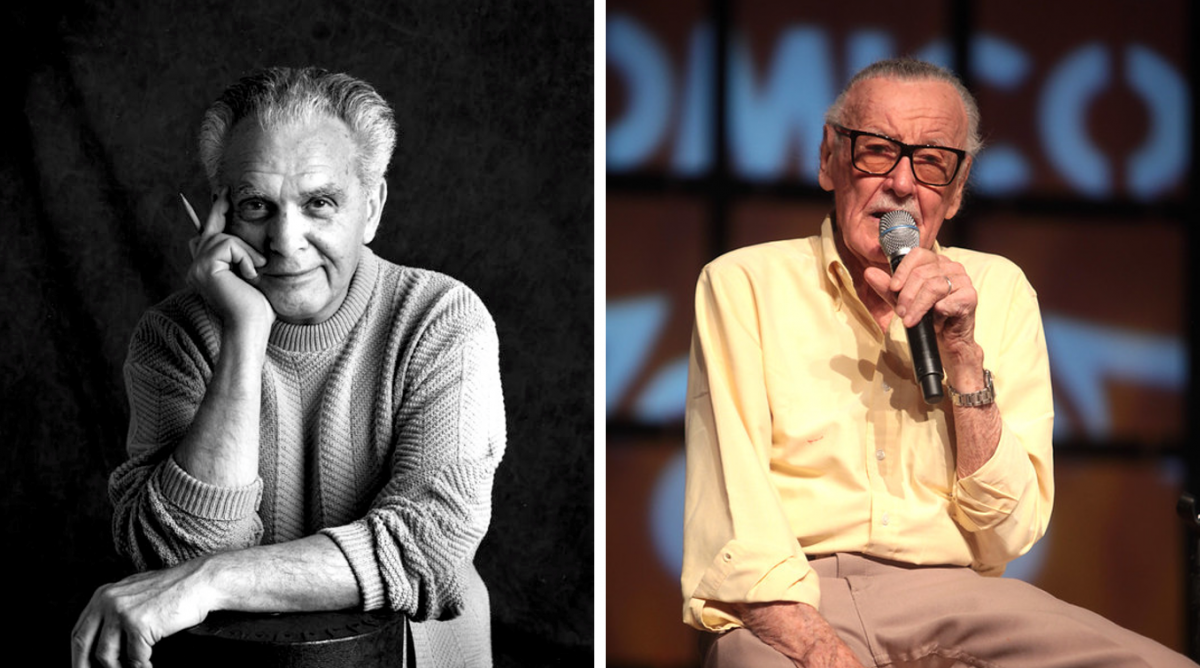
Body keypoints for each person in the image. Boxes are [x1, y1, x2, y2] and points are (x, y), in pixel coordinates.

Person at [681, 57, 1196, 668]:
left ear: (954, 190)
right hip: (797, 597)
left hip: (959, 596)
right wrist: (824, 650)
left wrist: (962, 355)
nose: (902, 183)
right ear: (829, 159)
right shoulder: (744, 283)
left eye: (930, 162)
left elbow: (1005, 533)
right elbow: (736, 515)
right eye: (876, 151)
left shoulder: (997, 290)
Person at [70, 67, 506, 668]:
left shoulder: (441, 318)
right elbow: (176, 551)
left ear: (372, 207)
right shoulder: (172, 339)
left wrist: (210, 583)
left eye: (319, 203)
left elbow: (426, 546)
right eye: (256, 205)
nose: (286, 240)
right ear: (218, 213)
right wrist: (245, 335)